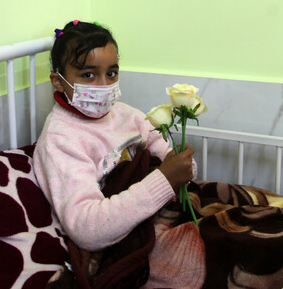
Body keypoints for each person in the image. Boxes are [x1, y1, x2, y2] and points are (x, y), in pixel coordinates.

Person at [33, 20, 196, 256]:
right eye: (88, 74)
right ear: (58, 81)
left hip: (163, 215)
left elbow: (174, 164)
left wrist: (182, 167)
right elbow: (86, 228)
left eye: (111, 73)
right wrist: (165, 179)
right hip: (123, 239)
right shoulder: (60, 140)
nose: (104, 85)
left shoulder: (128, 115)